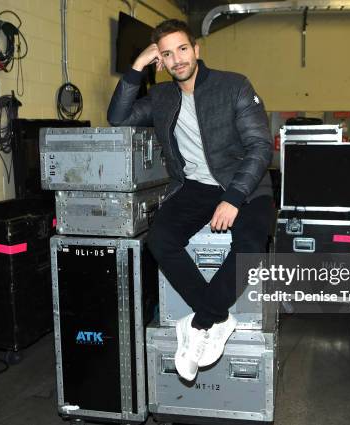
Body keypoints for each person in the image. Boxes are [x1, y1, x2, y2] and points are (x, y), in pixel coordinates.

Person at [107, 19, 274, 382]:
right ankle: (218, 317)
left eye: (183, 49)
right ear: (162, 62)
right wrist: (138, 65)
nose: (177, 59)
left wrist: (233, 198)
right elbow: (117, 118)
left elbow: (261, 147)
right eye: (167, 53)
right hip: (196, 187)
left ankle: (198, 324)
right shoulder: (162, 98)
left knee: (250, 248)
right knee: (160, 240)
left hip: (246, 183)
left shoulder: (234, 86)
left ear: (197, 49)